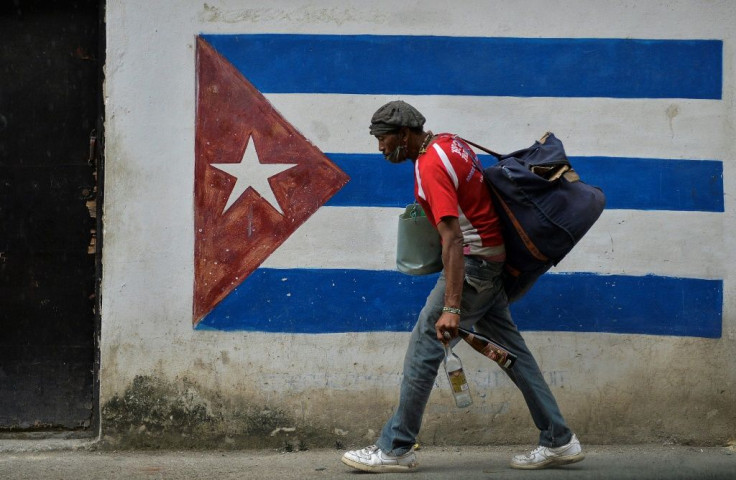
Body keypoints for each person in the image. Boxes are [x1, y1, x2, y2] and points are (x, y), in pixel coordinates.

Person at [341, 101, 584, 473]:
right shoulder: (451, 143)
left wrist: (452, 307)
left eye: (383, 139)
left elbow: (453, 239)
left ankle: (396, 447)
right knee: (512, 352)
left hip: (472, 266)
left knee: (426, 343)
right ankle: (560, 439)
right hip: (492, 261)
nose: (380, 148)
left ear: (404, 135)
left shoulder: (430, 165)